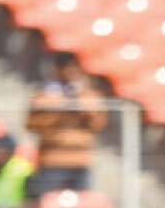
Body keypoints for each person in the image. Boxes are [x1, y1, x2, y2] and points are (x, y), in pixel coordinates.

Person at [25, 52, 108, 195]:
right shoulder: (44, 95)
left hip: (80, 159)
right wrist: (58, 106)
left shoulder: (89, 95)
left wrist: (79, 100)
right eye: (64, 68)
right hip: (52, 160)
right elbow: (32, 124)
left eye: (72, 68)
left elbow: (99, 123)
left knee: (81, 206)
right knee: (48, 203)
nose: (68, 72)